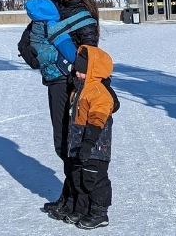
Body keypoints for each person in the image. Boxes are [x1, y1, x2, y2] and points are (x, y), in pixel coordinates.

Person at [17, 0, 100, 217]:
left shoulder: (84, 18)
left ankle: (77, 199)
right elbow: (28, 39)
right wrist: (38, 59)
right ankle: (69, 195)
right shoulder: (50, 7)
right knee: (61, 141)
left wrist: (77, 69)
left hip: (74, 84)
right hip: (55, 83)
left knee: (71, 140)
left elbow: (90, 53)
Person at [64, 44, 115, 229]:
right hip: (79, 144)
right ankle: (83, 209)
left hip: (96, 146)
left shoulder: (99, 93)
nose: (77, 74)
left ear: (93, 71)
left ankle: (100, 213)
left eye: (82, 71)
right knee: (79, 177)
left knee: (95, 179)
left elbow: (97, 122)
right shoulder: (79, 89)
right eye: (76, 70)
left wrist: (88, 144)